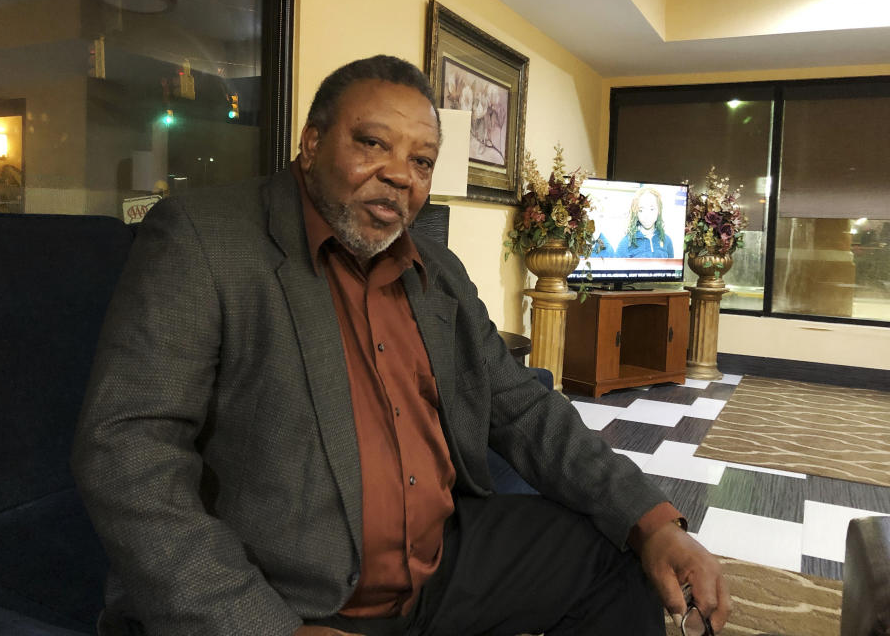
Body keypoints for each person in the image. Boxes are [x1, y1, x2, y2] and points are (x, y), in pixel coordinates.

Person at [72, 55, 729, 636]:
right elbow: (127, 453)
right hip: (290, 593)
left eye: (420, 161)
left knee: (618, 562)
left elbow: (524, 410)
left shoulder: (436, 271)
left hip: (439, 567)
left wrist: (654, 522)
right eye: (371, 143)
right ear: (311, 142)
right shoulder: (203, 240)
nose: (398, 176)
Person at [616, 187, 675, 258]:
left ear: (659, 210)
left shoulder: (667, 240)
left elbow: (671, 268)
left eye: (652, 209)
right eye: (641, 210)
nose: (647, 215)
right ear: (636, 213)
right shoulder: (625, 243)